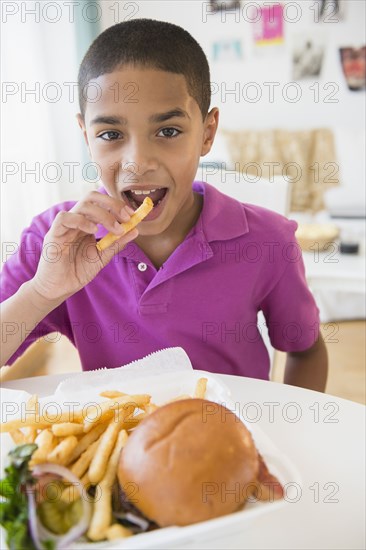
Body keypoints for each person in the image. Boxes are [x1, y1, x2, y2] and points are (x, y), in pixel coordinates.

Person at [0, 19, 328, 391]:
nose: (138, 162)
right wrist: (42, 291)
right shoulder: (54, 240)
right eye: (110, 134)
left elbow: (306, 350)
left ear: (206, 134)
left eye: (168, 131)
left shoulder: (269, 240)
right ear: (86, 138)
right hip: (117, 445)